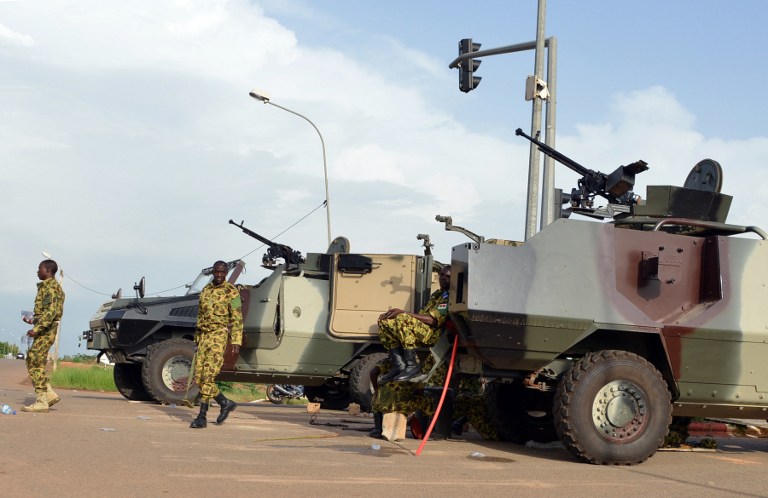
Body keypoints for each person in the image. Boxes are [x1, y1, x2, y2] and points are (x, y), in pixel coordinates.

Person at [190, 261, 243, 429]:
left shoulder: (231, 291)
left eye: (222, 272)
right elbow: (200, 315)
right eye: (217, 271)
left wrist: (236, 340)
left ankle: (202, 416)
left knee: (208, 375)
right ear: (213, 272)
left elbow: (237, 317)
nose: (219, 274)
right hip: (204, 335)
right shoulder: (206, 290)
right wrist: (197, 338)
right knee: (199, 377)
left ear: (226, 273)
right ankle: (224, 402)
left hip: (219, 335)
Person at [377, 265, 450, 382]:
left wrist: (404, 312)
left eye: (448, 276)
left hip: (434, 334)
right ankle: (399, 365)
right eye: (441, 275)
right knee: (385, 321)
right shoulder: (437, 294)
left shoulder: (449, 297)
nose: (443, 278)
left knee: (402, 318)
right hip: (424, 330)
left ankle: (412, 365)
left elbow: (433, 320)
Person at [21, 259, 65, 413]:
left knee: (34, 362)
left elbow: (51, 312)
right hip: (44, 329)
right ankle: (49, 394)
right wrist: (32, 321)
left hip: (45, 331)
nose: (37, 271)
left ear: (47, 270)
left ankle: (42, 400)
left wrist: (37, 328)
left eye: (39, 268)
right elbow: (46, 312)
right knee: (34, 361)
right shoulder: (49, 287)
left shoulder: (51, 288)